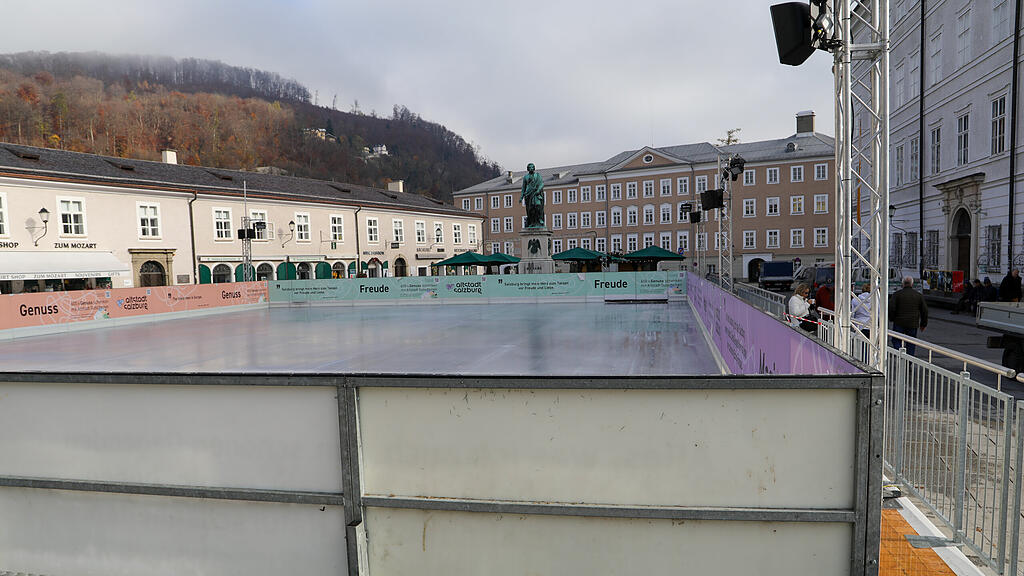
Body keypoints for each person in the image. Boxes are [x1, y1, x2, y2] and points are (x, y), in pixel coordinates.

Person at [889, 276, 928, 355]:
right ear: (912, 284)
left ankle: (900, 355)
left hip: (899, 322)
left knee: (896, 340)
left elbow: (891, 308)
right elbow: (924, 311)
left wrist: (892, 318)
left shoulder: (897, 294)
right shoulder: (918, 295)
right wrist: (923, 324)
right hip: (913, 323)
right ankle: (909, 362)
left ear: (902, 284)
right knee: (911, 343)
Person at [520, 163, 545, 229]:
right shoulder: (526, 177)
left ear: (534, 168)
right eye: (529, 167)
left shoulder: (538, 175)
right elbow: (523, 187)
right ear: (528, 169)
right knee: (531, 209)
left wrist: (538, 190)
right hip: (529, 194)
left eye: (532, 167)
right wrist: (521, 196)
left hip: (536, 193)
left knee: (538, 205)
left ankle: (539, 219)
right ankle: (532, 222)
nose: (531, 168)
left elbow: (542, 184)